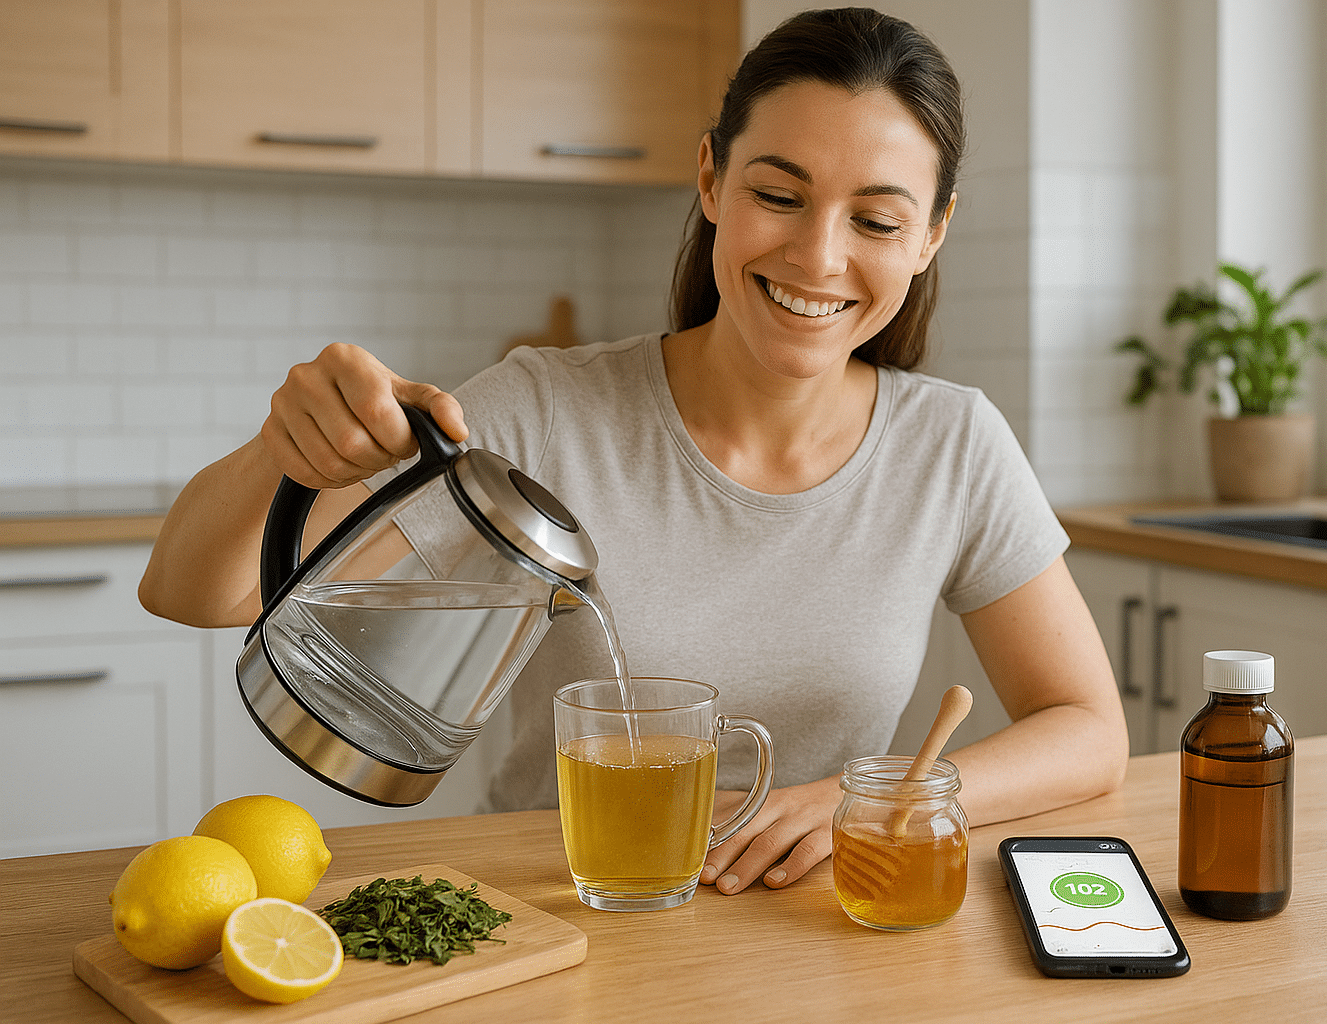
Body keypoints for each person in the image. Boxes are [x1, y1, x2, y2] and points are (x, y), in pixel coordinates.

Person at [140, 7, 1127, 895]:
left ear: (929, 237)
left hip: (812, 939)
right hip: (557, 907)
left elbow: (1089, 728)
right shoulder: (543, 411)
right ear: (710, 178)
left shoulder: (952, 443)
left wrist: (867, 799)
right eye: (779, 196)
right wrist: (283, 448)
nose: (820, 256)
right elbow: (196, 593)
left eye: (875, 220)